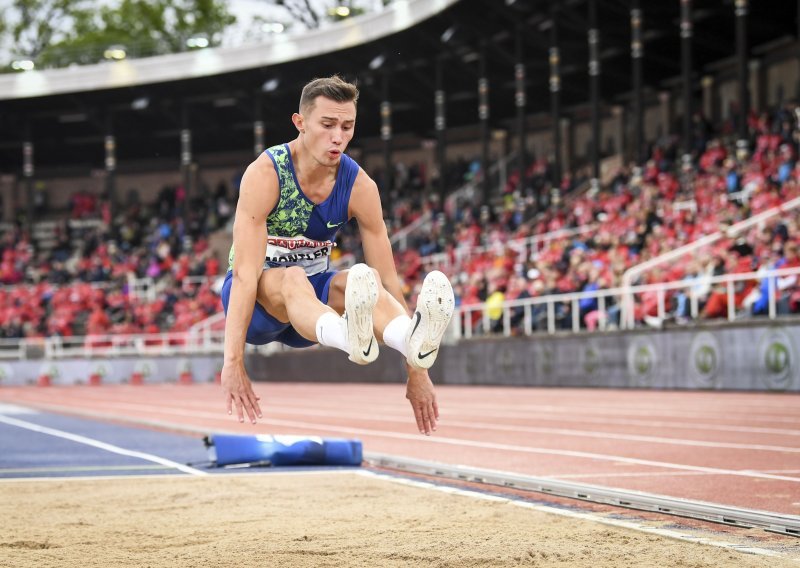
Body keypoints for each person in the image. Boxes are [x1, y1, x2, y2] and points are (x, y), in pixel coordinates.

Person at [220, 75, 454, 435]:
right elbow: (247, 276)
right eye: (327, 125)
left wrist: (416, 372)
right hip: (259, 308)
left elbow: (389, 280)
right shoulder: (266, 174)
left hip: (313, 313)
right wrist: (232, 361)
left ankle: (409, 339)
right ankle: (351, 338)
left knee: (368, 281)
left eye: (347, 126)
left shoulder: (360, 186)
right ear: (300, 123)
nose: (338, 137)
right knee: (292, 277)